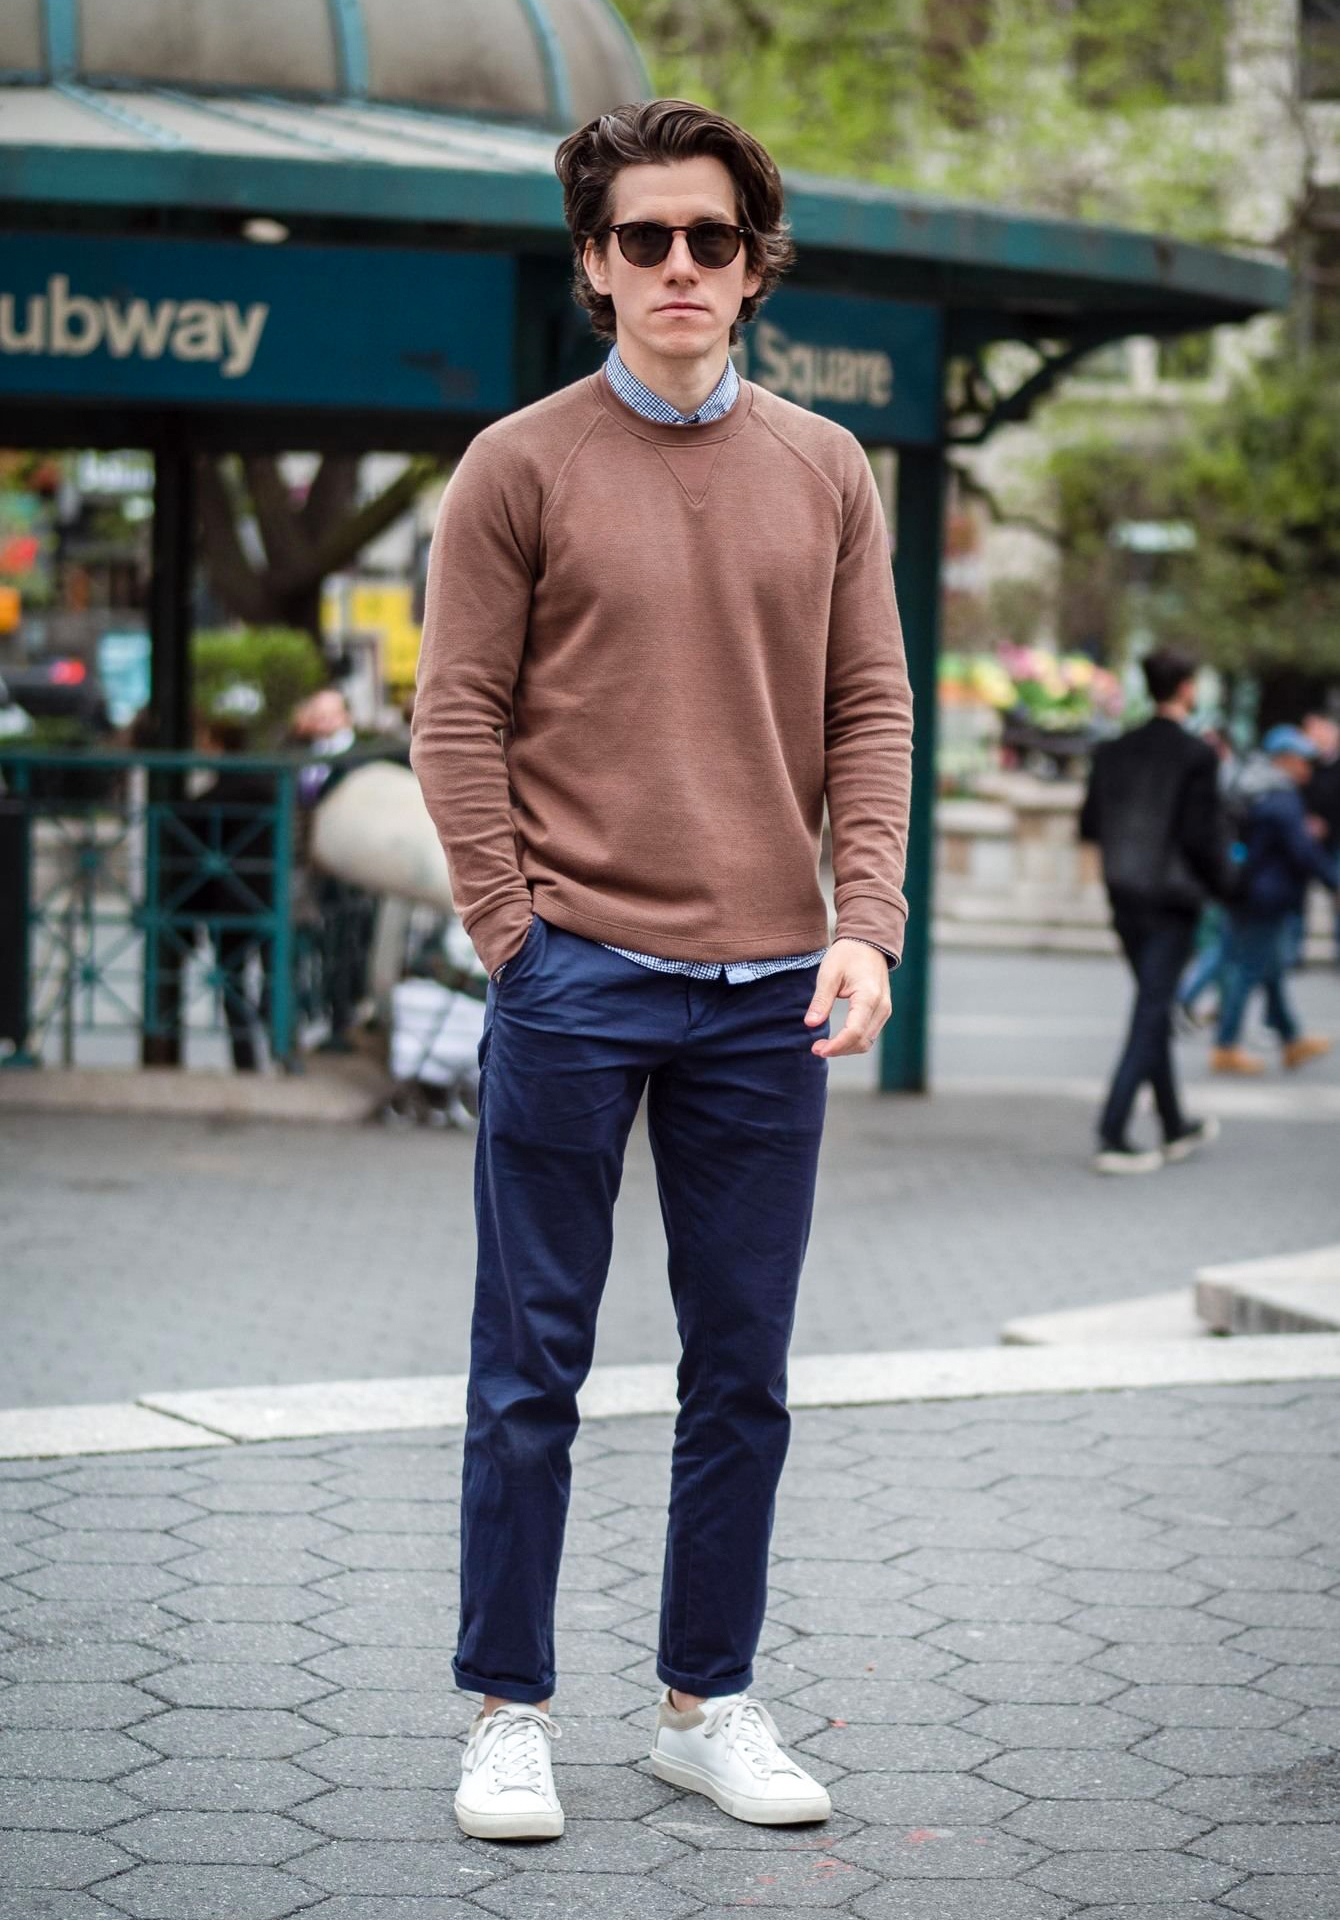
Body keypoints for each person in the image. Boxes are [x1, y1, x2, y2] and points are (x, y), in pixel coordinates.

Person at [409, 98, 912, 1841]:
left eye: (711, 238)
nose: (680, 267)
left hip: (771, 990)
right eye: (645, 240)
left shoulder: (829, 468)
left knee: (744, 1373)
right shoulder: (518, 465)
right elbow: (455, 714)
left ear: (754, 264)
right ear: (594, 268)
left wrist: (866, 923)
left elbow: (871, 707)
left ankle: (705, 1701)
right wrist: (512, 937)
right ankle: (506, 1710)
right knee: (527, 1366)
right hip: (578, 977)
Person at [1079, 647, 1232, 1174]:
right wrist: (1227, 887)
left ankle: (1173, 1125)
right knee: (1151, 1008)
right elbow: (1200, 837)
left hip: (1123, 895)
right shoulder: (1198, 755)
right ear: (1187, 687)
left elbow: (1090, 825)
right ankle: (1113, 1132)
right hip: (1172, 901)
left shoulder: (1114, 749)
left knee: (1154, 1002)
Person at [1211, 724, 1337, 1073]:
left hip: (1244, 889)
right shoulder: (1281, 797)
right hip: (1266, 895)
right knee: (1249, 969)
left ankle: (1291, 1038)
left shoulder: (1254, 787)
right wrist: (1334, 882)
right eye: (1301, 760)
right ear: (1283, 760)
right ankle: (1225, 1045)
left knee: (1269, 970)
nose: (1307, 768)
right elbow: (1303, 850)